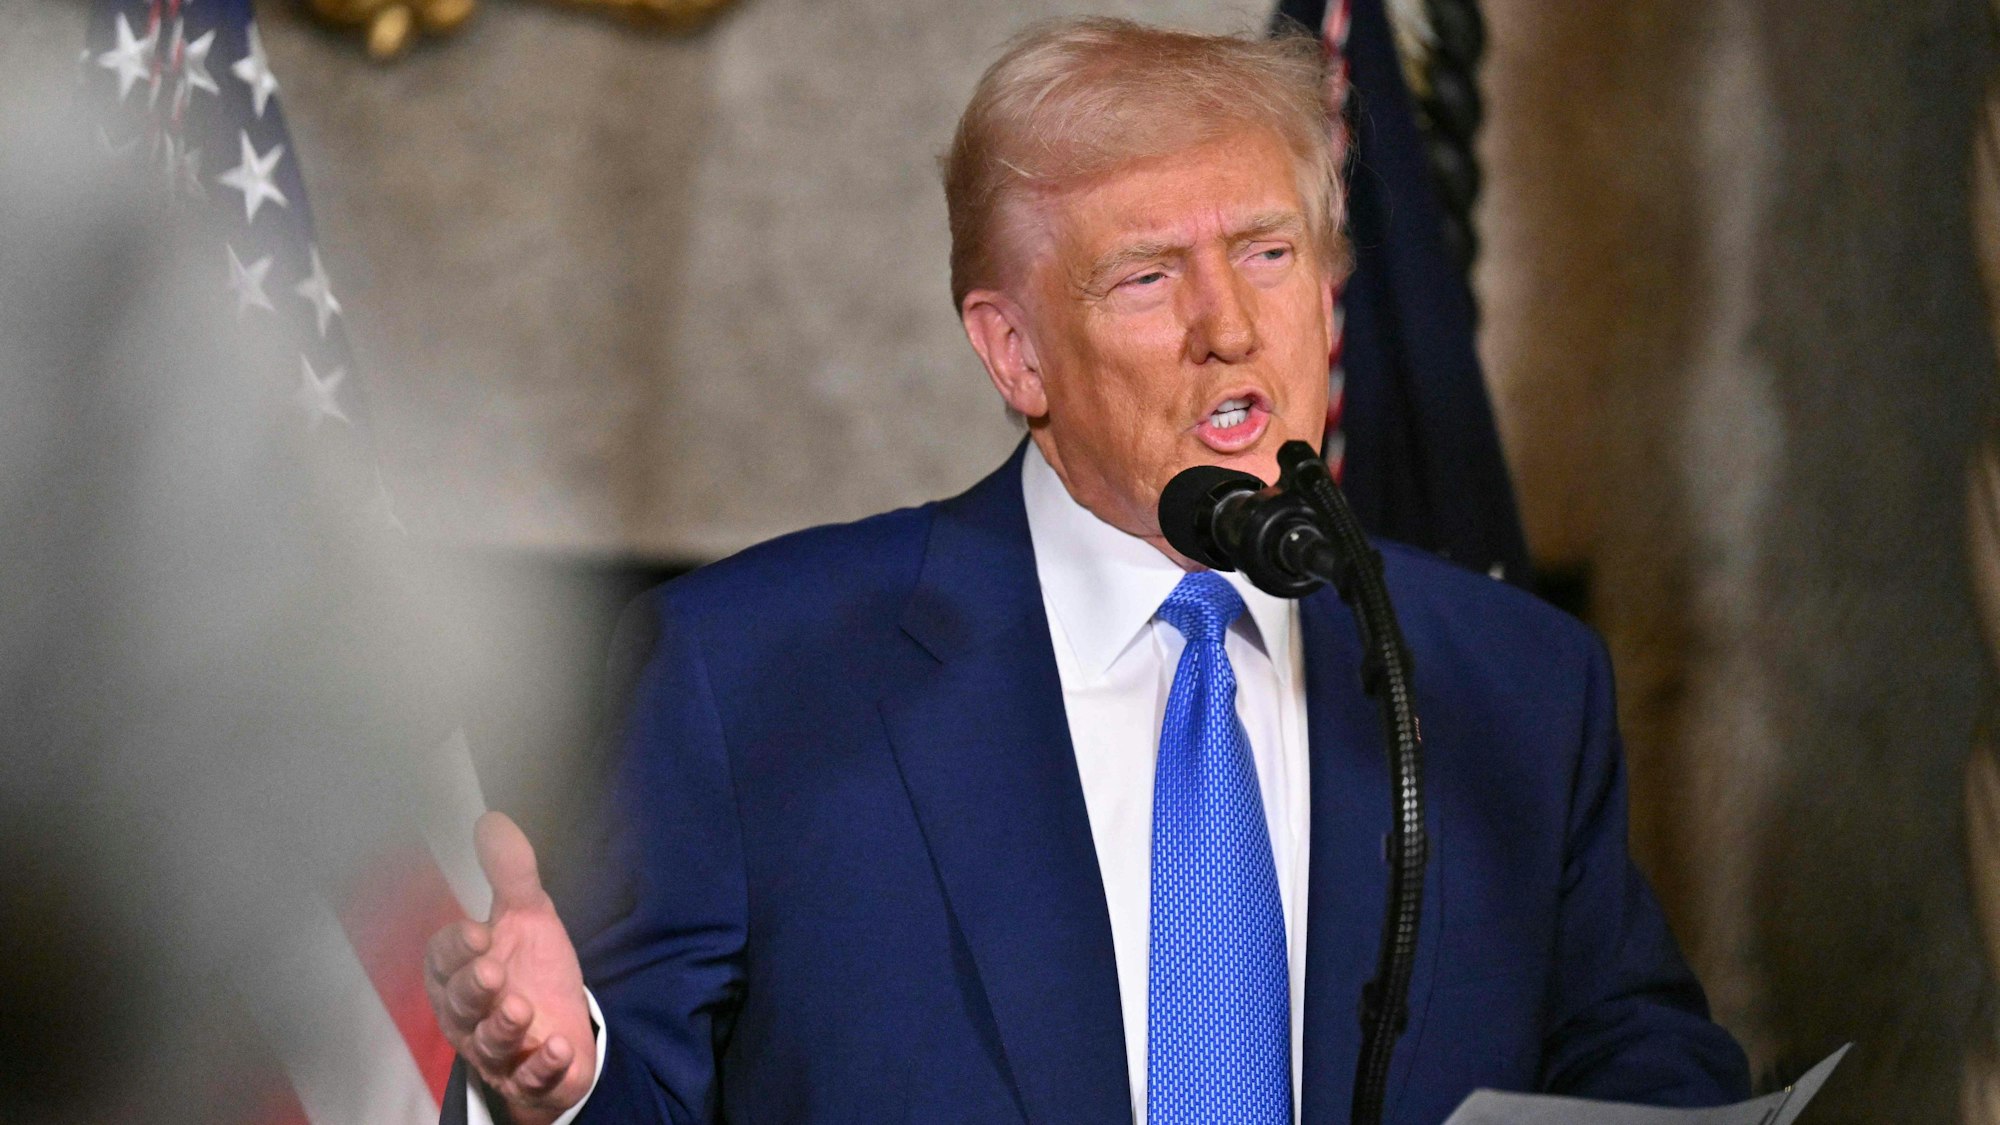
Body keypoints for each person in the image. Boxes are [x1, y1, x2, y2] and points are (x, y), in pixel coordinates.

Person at [424, 18, 1751, 1124]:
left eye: (1269, 253)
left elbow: (1638, 1051)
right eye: (1146, 277)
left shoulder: (1508, 677)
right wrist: (569, 1068)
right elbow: (642, 1086)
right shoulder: (754, 670)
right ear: (1015, 355)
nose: (1229, 326)